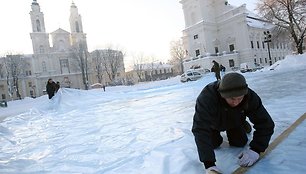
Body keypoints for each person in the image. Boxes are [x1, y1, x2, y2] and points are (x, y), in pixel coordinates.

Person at [192, 72, 274, 173]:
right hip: (214, 124)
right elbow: (200, 129)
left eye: (240, 98)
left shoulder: (250, 96)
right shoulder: (207, 97)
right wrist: (209, 164)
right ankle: (235, 125)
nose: (236, 102)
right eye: (232, 98)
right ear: (222, 95)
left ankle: (243, 123)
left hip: (235, 120)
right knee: (214, 143)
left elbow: (265, 123)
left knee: (239, 142)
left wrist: (256, 150)